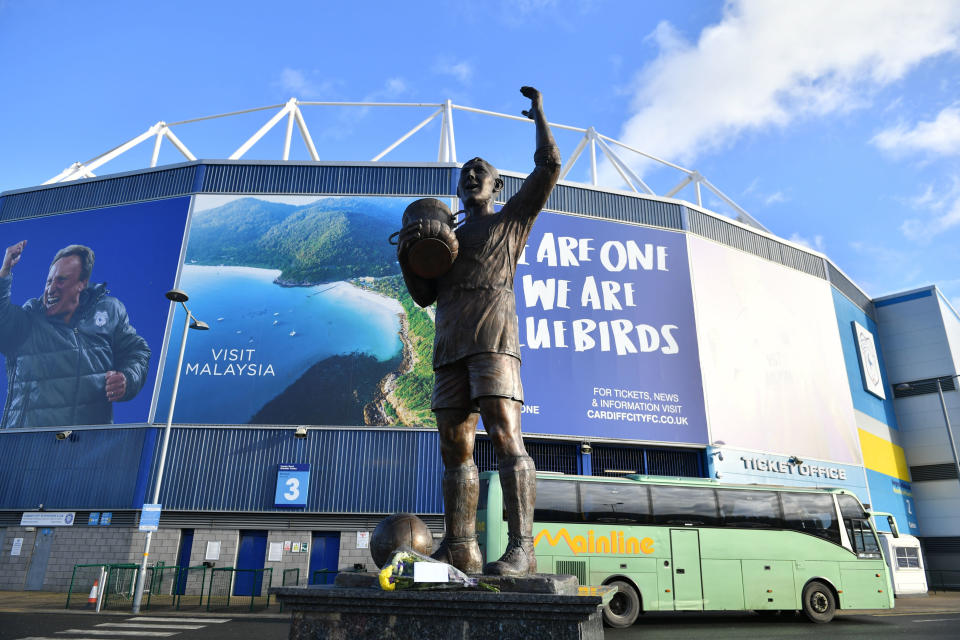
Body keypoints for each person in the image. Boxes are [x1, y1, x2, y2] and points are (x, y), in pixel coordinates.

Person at [397, 86, 561, 576]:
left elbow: (550, 166)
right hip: (449, 346)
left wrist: (540, 117)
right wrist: (407, 254)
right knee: (454, 446)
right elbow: (425, 297)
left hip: (494, 341)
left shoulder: (510, 222)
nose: (471, 177)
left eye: (480, 172)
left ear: (497, 186)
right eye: (464, 174)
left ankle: (522, 547)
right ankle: (461, 547)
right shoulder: (445, 240)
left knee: (506, 435)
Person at [0, 240, 151, 428]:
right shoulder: (30, 318)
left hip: (85, 447)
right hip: (28, 446)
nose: (51, 288)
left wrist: (128, 378)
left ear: (82, 283)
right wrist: (4, 272)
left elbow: (137, 352)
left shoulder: (110, 311)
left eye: (61, 280)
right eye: (48, 281)